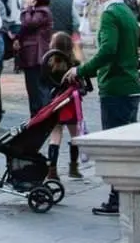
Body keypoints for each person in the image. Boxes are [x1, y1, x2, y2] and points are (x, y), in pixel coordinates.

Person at [65, 0, 140, 216]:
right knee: (125, 145)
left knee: (117, 147)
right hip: (130, 84)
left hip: (116, 86)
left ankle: (117, 198)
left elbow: (108, 50)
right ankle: (124, 195)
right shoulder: (127, 11)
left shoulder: (110, 13)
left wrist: (81, 70)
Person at [45, 32, 85, 181]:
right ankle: (73, 167)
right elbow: (82, 78)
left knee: (55, 135)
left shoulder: (48, 63)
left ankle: (52, 170)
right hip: (71, 102)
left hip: (55, 102)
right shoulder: (74, 64)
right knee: (75, 135)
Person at [16, 0, 54, 116]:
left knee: (37, 88)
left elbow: (28, 23)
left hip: (37, 54)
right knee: (32, 88)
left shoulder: (42, 11)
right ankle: (36, 116)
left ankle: (42, 115)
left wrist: (28, 8)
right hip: (31, 54)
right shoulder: (37, 11)